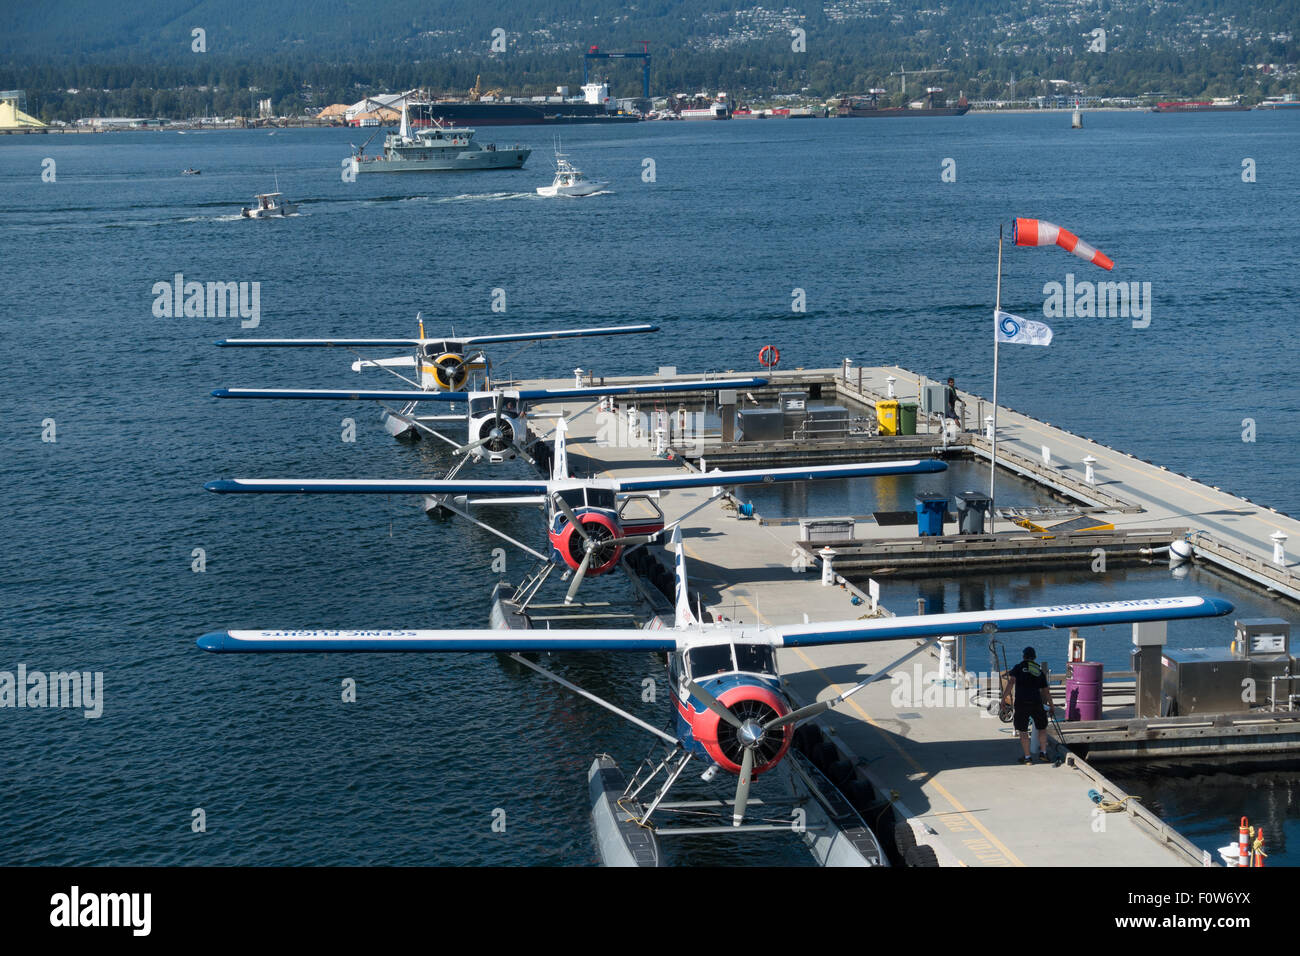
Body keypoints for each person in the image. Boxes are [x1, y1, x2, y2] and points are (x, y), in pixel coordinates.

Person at [1003, 647, 1055, 764]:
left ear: (1023, 656)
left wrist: (1003, 700)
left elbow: (1011, 683)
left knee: (1023, 730)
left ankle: (1027, 758)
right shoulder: (1039, 670)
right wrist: (1051, 706)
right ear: (1034, 657)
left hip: (1022, 702)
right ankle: (1044, 753)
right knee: (1042, 728)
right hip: (1036, 702)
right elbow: (1046, 691)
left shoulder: (1018, 668)